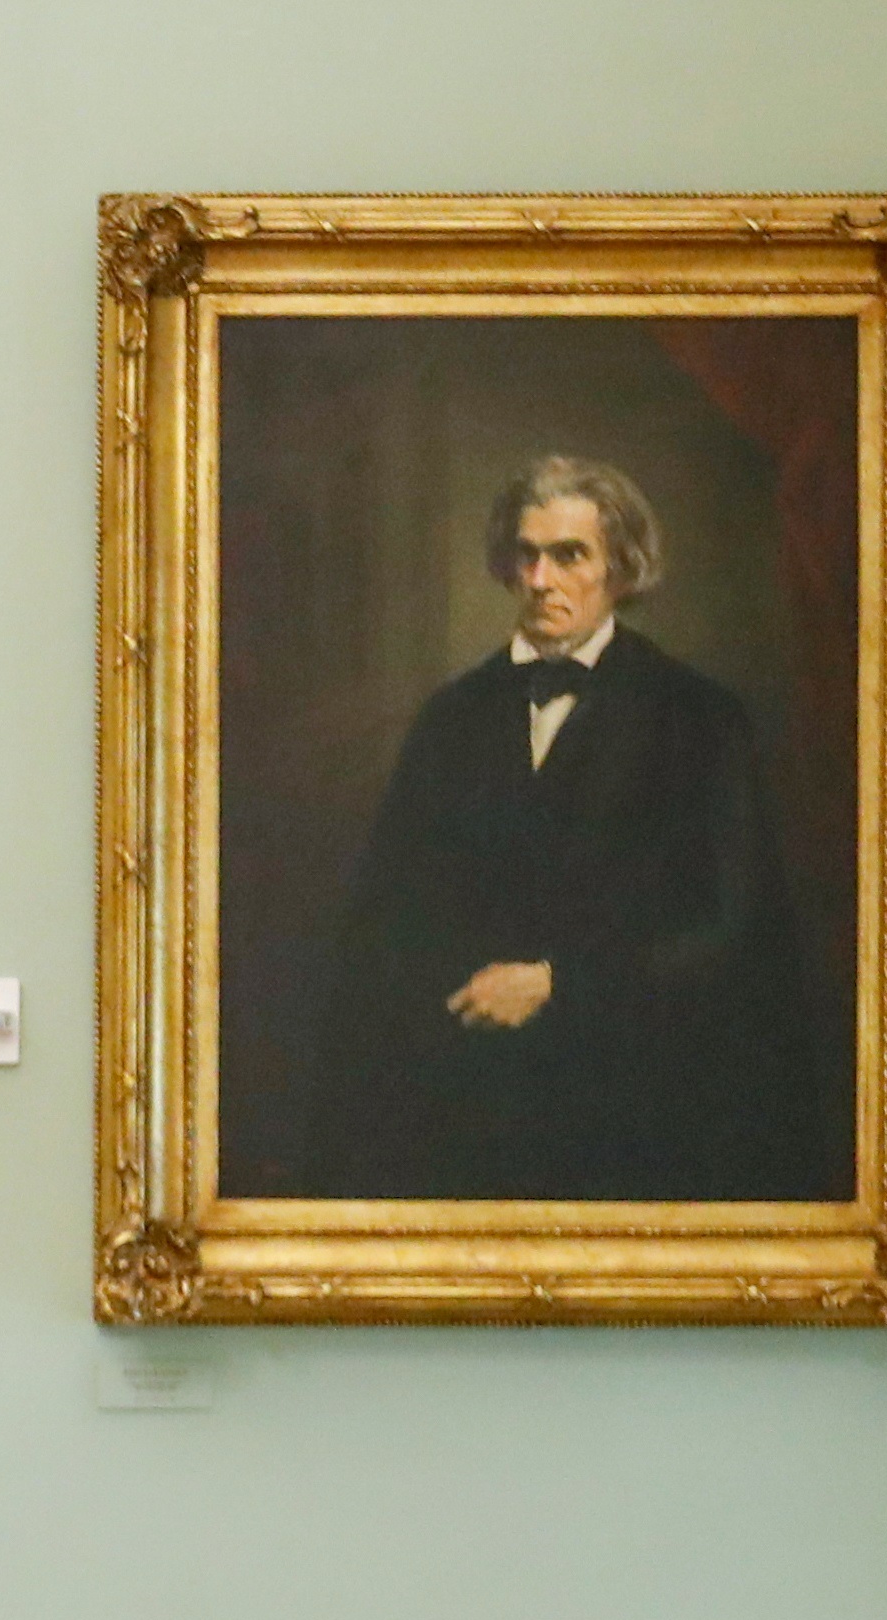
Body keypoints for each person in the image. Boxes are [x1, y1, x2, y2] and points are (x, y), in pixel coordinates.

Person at [300, 455, 836, 1203]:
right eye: (526, 554)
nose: (541, 579)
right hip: (464, 1118)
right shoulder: (449, 717)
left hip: (633, 1115)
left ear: (620, 567)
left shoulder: (698, 717)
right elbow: (383, 917)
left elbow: (731, 931)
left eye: (568, 555)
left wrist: (560, 983)